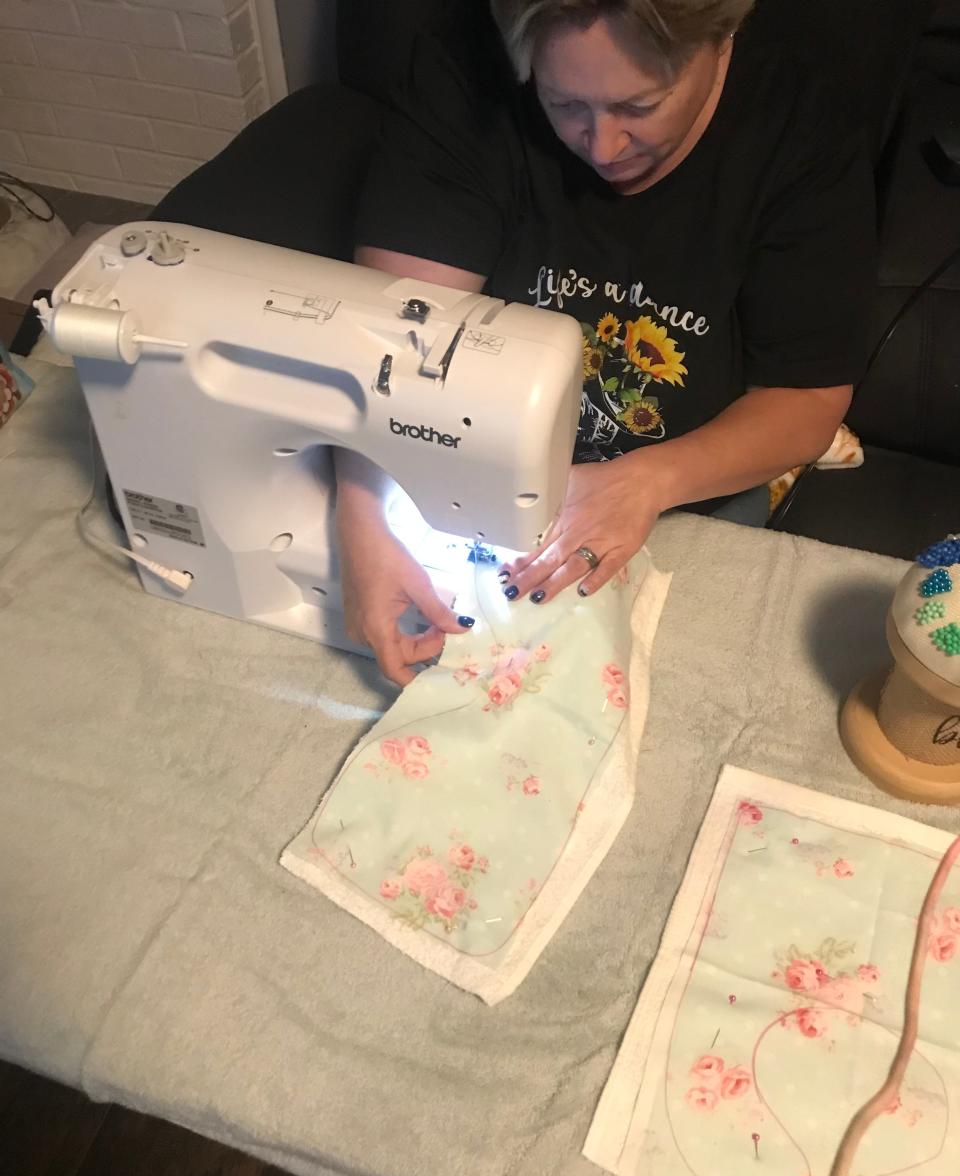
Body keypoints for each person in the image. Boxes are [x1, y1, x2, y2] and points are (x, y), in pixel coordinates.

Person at [336, 0, 876, 684]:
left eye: (639, 106)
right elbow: (393, 340)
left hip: (693, 481)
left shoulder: (803, 120)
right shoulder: (462, 75)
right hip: (473, 467)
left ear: (722, 38)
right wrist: (363, 519)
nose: (602, 147)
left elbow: (805, 396)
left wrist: (647, 481)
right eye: (563, 104)